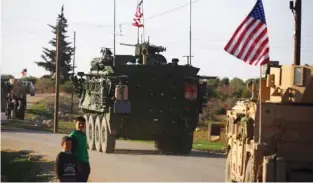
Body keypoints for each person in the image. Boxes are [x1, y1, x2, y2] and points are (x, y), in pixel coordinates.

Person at [69, 116, 90, 182]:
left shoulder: (84, 135)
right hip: (77, 163)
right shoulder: (73, 135)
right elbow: (70, 151)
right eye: (79, 124)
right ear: (75, 124)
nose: (81, 125)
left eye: (83, 124)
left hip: (85, 162)